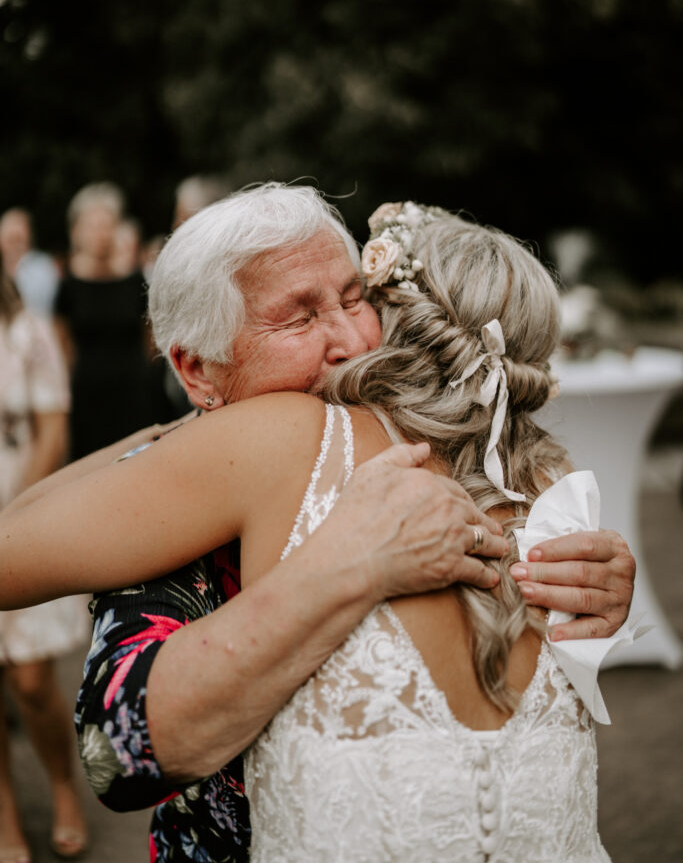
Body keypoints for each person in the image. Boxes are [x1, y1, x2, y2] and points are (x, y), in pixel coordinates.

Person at [0, 185, 635, 862]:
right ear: (193, 367)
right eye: (299, 319)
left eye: (354, 298)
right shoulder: (517, 464)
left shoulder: (467, 463)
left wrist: (598, 588)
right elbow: (115, 757)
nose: (354, 342)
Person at [0, 261, 88, 863]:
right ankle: (5, 821)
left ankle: (62, 784)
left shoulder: (27, 334)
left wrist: (8, 521)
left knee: (31, 680)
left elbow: (53, 433)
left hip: (16, 514)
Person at [54, 183, 155, 459]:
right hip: (87, 393)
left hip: (131, 390)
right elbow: (62, 341)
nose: (101, 233)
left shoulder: (135, 280)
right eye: (93, 225)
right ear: (77, 231)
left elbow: (150, 336)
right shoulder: (68, 285)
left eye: (107, 224)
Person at [0, 208, 60, 318]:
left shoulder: (43, 269)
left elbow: (46, 308)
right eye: (10, 239)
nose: (14, 246)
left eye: (18, 239)